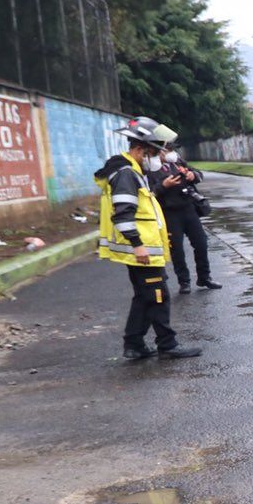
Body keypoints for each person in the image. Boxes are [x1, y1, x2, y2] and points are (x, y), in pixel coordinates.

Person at [95, 117, 201, 361]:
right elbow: (122, 213)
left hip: (144, 249)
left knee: (144, 295)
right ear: (140, 149)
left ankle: (134, 344)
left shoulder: (132, 171)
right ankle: (167, 345)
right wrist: (138, 245)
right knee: (157, 295)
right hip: (141, 250)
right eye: (154, 153)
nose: (158, 158)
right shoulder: (126, 174)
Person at [151, 147, 219, 295]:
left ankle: (204, 277)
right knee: (177, 250)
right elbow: (149, 192)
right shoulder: (151, 169)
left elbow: (199, 175)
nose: (166, 153)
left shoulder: (178, 162)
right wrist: (163, 186)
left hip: (189, 209)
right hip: (169, 213)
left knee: (201, 243)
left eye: (168, 150)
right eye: (163, 150)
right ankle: (184, 281)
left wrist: (192, 175)